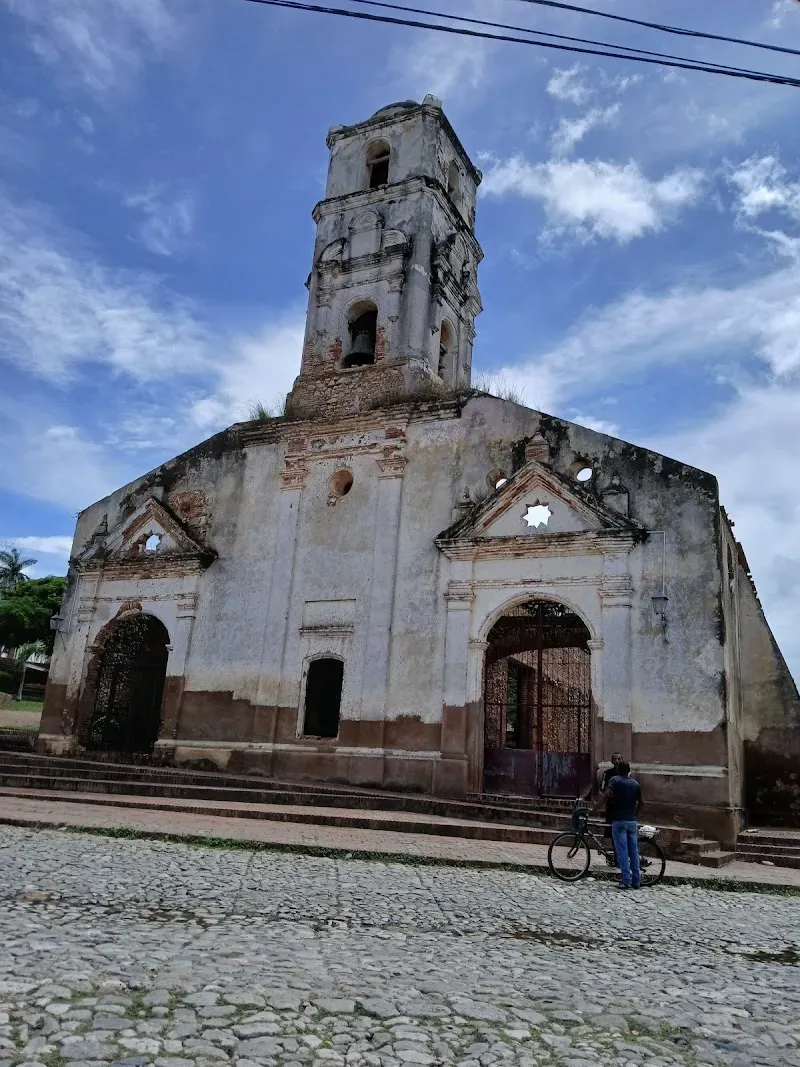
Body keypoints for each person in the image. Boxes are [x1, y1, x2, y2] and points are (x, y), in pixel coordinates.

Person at [604, 760, 642, 890]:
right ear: (629, 770)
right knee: (634, 852)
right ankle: (636, 880)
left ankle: (626, 880)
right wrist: (634, 814)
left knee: (622, 851)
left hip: (619, 820)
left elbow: (606, 795)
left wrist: (595, 808)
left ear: (619, 770)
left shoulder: (615, 780)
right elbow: (642, 802)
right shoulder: (635, 783)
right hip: (632, 821)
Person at [601, 752, 624, 839]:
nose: (617, 761)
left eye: (619, 759)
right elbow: (602, 787)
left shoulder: (626, 774)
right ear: (612, 761)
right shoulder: (607, 773)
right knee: (610, 827)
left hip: (621, 805)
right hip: (611, 804)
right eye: (615, 759)